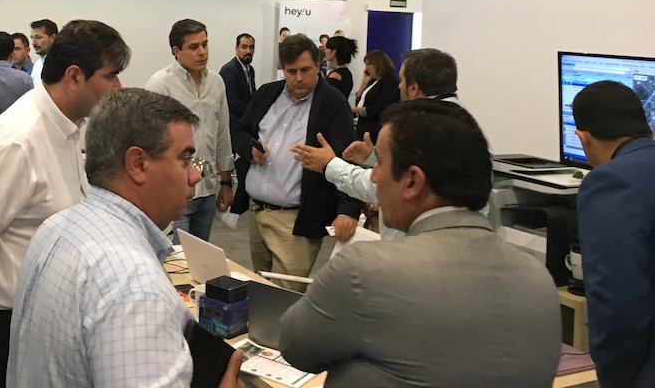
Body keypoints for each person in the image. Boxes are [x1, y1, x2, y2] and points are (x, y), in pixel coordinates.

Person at [281, 100, 562, 386]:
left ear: (413, 181)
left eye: (380, 163)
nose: (373, 176)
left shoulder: (363, 270)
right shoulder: (539, 281)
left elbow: (295, 347)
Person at [0, 20, 130, 388]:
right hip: (1, 327)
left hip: (38, 317)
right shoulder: (17, 141)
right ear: (74, 76)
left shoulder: (65, 128)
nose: (117, 87)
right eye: (110, 75)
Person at [8, 88, 244, 388]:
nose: (195, 176)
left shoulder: (56, 227)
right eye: (185, 159)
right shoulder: (136, 286)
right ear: (137, 164)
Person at [230, 34, 361, 289]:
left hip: (296, 220)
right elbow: (240, 131)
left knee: (284, 296)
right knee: (261, 289)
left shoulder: (332, 103)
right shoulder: (267, 94)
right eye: (291, 71)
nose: (298, 78)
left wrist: (348, 210)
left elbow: (349, 158)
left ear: (318, 66)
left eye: (305, 70)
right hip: (257, 213)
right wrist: (250, 148)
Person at [299, 48, 460, 239]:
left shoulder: (424, 128)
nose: (399, 86)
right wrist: (374, 157)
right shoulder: (459, 121)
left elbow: (388, 185)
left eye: (402, 80)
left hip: (418, 240)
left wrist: (330, 166)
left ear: (414, 88)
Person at [572, 80, 655, 388]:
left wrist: (613, 377)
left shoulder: (611, 181)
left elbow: (618, 301)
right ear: (646, 127)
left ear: (582, 139)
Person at [145, 19, 234, 241]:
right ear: (176, 51)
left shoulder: (216, 82)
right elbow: (151, 144)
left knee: (200, 255)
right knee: (176, 257)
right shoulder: (160, 85)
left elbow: (222, 135)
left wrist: (226, 182)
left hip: (208, 188)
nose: (202, 52)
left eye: (205, 44)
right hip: (175, 192)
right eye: (194, 47)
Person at [352, 50, 400, 142]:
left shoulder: (389, 82)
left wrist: (355, 110)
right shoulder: (374, 82)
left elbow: (379, 109)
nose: (366, 69)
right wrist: (363, 83)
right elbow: (361, 102)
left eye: (368, 64)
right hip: (364, 127)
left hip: (375, 129)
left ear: (377, 64)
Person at [219, 32, 256, 129]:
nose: (248, 51)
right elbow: (233, 103)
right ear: (236, 48)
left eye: (251, 47)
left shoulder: (250, 70)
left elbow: (252, 96)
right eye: (244, 47)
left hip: (246, 121)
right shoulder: (229, 70)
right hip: (234, 124)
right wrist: (254, 114)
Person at [323, 35, 357, 100]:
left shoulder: (335, 75)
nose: (325, 51)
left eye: (327, 48)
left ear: (333, 52)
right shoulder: (346, 72)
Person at [29, 18, 58, 86]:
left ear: (53, 38)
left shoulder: (61, 64)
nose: (33, 43)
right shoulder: (37, 65)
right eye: (32, 38)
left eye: (38, 37)